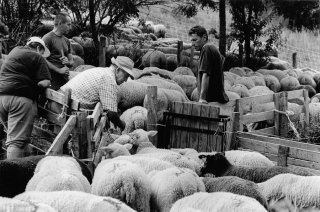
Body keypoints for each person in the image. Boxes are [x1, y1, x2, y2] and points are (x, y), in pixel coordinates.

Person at [0, 37, 51, 159]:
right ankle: (11, 175)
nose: (43, 56)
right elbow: (44, 82)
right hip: (20, 99)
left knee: (18, 138)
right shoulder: (37, 57)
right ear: (39, 48)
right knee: (16, 142)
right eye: (43, 52)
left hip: (2, 97)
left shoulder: (15, 51)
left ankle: (25, 167)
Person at [60, 56, 134, 131]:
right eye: (126, 76)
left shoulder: (103, 71)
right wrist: (123, 125)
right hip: (64, 108)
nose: (126, 80)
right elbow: (111, 113)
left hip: (60, 98)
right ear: (118, 70)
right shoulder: (109, 80)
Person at [188, 25, 229, 104]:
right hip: (213, 98)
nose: (192, 44)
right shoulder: (210, 48)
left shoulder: (207, 48)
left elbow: (206, 74)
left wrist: (202, 98)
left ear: (204, 37)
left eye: (195, 40)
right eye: (191, 41)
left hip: (211, 99)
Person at [42, 12, 73, 90]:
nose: (70, 27)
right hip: (52, 80)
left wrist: (68, 62)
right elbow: (42, 59)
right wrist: (58, 70)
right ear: (60, 23)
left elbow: (71, 61)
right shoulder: (47, 38)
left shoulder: (66, 40)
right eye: (68, 24)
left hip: (64, 79)